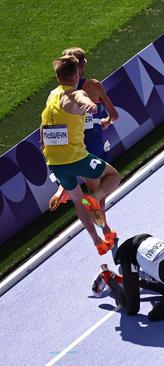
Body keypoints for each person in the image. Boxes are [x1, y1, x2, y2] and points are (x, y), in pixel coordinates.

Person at [40, 56, 121, 255]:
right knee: (112, 177)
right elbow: (81, 99)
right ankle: (95, 200)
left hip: (54, 162)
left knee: (78, 200)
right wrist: (90, 106)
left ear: (58, 77)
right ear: (77, 75)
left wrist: (43, 142)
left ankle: (98, 242)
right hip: (77, 157)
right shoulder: (76, 94)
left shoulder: (52, 95)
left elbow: (43, 127)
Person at [49, 47, 119, 212]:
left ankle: (62, 189)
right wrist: (106, 121)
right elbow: (114, 115)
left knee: (75, 175)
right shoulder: (94, 86)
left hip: (70, 145)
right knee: (99, 191)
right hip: (92, 144)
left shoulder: (60, 93)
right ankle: (106, 231)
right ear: (83, 65)